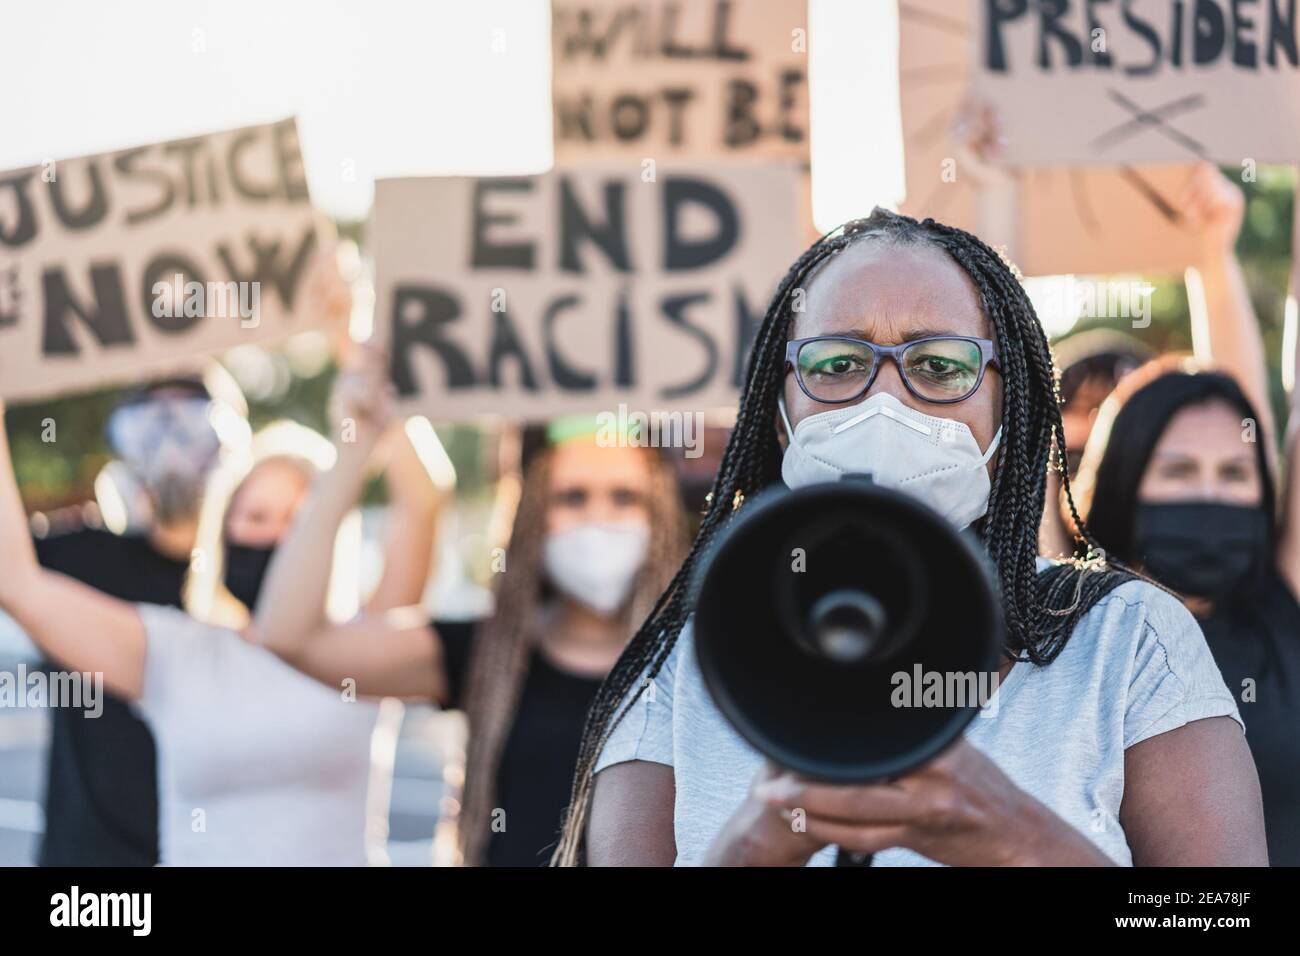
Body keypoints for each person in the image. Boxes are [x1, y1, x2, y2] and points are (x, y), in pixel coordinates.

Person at [548, 208, 1267, 867]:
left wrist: (1016, 836)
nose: (883, 399)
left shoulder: (1127, 641)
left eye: (940, 367)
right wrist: (757, 846)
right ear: (778, 413)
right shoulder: (681, 666)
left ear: (1007, 411)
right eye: (837, 365)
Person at [0, 363, 445, 864]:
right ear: (223, 530)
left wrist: (359, 355)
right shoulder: (176, 651)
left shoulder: (361, 650)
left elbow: (422, 503)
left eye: (299, 520)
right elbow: (16, 581)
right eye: (256, 517)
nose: (277, 535)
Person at [252, 362, 688, 866]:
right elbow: (292, 637)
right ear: (531, 519)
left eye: (624, 498)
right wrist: (356, 447)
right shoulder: (486, 652)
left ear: (658, 514)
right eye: (572, 497)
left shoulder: (696, 662)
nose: (598, 520)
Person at [1072, 360, 1300, 865]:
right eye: (1179, 470)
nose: (1210, 495)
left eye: (1234, 473)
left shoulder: (1283, 608)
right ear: (1125, 477)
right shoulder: (1064, 636)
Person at [31, 373, 239, 866]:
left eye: (190, 419)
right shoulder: (75, 559)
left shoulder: (260, 575)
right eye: (149, 421)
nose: (170, 440)